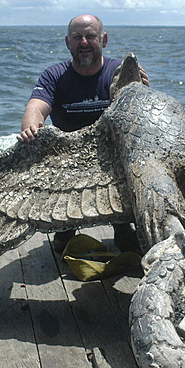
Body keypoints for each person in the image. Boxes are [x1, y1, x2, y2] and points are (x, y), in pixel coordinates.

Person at [18, 14, 149, 253]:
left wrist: (142, 91)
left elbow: (141, 117)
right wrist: (31, 128)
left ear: (104, 39)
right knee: (61, 247)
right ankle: (65, 228)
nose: (84, 42)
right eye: (77, 37)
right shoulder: (53, 75)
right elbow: (36, 106)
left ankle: (123, 227)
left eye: (91, 36)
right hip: (69, 157)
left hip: (111, 156)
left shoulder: (121, 72)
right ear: (68, 42)